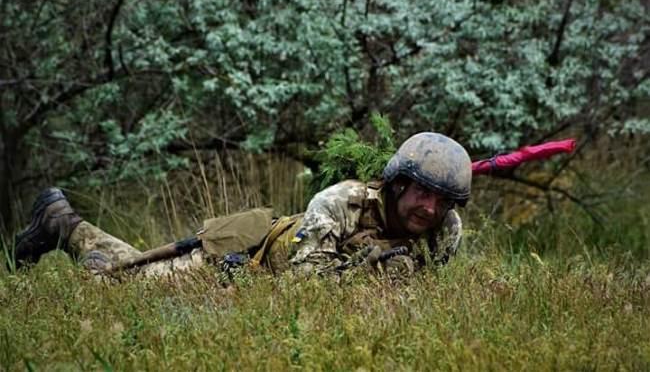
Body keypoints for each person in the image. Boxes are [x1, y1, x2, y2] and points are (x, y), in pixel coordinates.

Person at [11, 132, 472, 278]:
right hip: (247, 254)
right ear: (395, 185)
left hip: (266, 266)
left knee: (123, 276)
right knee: (123, 285)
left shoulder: (446, 229)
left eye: (442, 200)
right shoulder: (338, 203)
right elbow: (305, 285)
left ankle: (66, 229)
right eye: (422, 193)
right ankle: (62, 223)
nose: (429, 209)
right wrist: (372, 268)